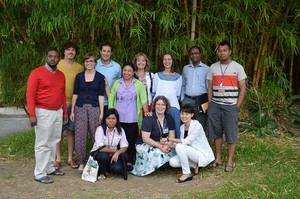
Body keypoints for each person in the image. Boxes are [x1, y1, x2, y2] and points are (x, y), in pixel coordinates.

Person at [26, 49, 67, 184]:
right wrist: (32, 115)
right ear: (46, 57)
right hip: (43, 111)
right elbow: (30, 95)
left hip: (57, 111)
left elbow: (62, 95)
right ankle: (39, 173)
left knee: (53, 141)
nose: (53, 59)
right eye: (50, 56)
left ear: (59, 59)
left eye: (55, 57)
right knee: (42, 143)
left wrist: (65, 112)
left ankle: (50, 168)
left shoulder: (61, 75)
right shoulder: (36, 73)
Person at [207, 41, 247, 172]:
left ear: (230, 52)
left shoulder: (237, 67)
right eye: (220, 51)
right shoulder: (213, 67)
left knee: (230, 133)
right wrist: (210, 104)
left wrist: (237, 106)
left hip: (230, 106)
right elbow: (210, 87)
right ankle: (218, 158)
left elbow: (243, 88)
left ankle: (230, 161)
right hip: (215, 105)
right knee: (216, 133)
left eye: (225, 50)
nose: (222, 53)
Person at [108, 62, 149, 167]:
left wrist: (146, 111)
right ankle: (118, 161)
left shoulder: (138, 84)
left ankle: (130, 161)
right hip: (119, 118)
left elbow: (143, 99)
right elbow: (112, 98)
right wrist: (111, 115)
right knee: (118, 139)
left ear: (133, 72)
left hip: (132, 118)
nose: (127, 72)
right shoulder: (117, 83)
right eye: (125, 70)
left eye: (129, 71)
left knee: (131, 140)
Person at [70, 53, 105, 174]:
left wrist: (101, 112)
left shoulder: (100, 77)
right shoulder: (79, 77)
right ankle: (81, 162)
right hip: (80, 107)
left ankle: (95, 160)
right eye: (86, 61)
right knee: (80, 135)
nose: (89, 63)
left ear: (95, 63)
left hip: (95, 108)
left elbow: (101, 95)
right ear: (84, 63)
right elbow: (75, 94)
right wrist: (72, 110)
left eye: (91, 61)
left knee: (96, 135)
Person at [55, 41, 84, 170]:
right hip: (58, 103)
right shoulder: (57, 64)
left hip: (73, 105)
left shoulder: (79, 67)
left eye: (73, 50)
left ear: (75, 53)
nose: (71, 52)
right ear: (64, 51)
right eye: (68, 49)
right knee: (58, 132)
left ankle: (70, 158)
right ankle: (58, 159)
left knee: (71, 131)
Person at [168, 105, 215, 183]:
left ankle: (186, 173)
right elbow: (181, 144)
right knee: (172, 162)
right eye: (182, 114)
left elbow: (186, 141)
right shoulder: (182, 127)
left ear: (192, 115)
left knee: (179, 146)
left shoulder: (197, 125)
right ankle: (194, 165)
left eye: (187, 114)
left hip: (200, 153)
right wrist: (168, 144)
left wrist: (169, 139)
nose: (184, 116)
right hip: (191, 153)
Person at [132, 96, 176, 176]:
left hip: (163, 142)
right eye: (158, 104)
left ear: (166, 106)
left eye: (163, 104)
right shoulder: (149, 119)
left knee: (176, 148)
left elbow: (172, 135)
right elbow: (145, 139)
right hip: (146, 144)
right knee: (157, 153)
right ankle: (158, 165)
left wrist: (168, 144)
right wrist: (161, 146)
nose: (160, 107)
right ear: (154, 106)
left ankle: (164, 164)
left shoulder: (169, 118)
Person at [90, 108, 129, 180]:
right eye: (108, 118)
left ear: (117, 119)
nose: (111, 120)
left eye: (113, 118)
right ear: (105, 119)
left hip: (113, 155)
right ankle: (102, 173)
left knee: (117, 169)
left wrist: (118, 153)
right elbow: (101, 148)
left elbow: (125, 146)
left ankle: (106, 168)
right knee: (104, 156)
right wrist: (115, 151)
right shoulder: (100, 129)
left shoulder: (120, 130)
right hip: (99, 153)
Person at [153, 53, 182, 138]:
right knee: (158, 129)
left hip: (173, 106)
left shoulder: (178, 77)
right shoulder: (157, 75)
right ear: (162, 61)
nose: (167, 61)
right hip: (159, 107)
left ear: (172, 61)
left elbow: (178, 95)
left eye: (169, 59)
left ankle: (176, 149)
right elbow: (154, 92)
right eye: (165, 59)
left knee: (175, 129)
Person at [181, 46, 210, 131]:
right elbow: (183, 84)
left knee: (200, 124)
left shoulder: (207, 69)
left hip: (201, 100)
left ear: (200, 55)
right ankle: (186, 142)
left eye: (196, 53)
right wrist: (183, 99)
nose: (194, 55)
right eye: (192, 53)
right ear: (189, 55)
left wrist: (208, 102)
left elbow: (209, 87)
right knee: (186, 123)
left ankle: (200, 143)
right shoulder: (186, 68)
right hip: (187, 99)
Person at [95, 42, 121, 112]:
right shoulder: (94, 65)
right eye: (104, 51)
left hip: (111, 101)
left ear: (111, 53)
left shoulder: (117, 67)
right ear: (100, 51)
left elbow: (119, 84)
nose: (106, 53)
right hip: (96, 102)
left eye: (108, 51)